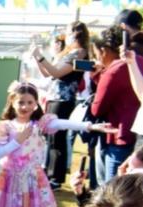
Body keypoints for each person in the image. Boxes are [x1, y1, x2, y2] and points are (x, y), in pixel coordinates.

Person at [31, 21, 90, 189]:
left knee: (58, 139)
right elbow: (48, 73)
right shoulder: (68, 52)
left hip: (63, 100)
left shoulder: (79, 52)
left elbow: (57, 72)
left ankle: (56, 177)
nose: (66, 36)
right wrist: (37, 58)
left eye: (68, 32)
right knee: (50, 138)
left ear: (76, 33)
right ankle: (49, 173)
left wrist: (41, 57)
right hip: (53, 98)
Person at [91, 26, 143, 185]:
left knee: (114, 191)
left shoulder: (115, 69)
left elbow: (97, 108)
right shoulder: (135, 61)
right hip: (135, 141)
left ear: (103, 51)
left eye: (95, 52)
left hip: (118, 136)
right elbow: (141, 93)